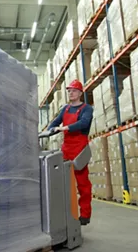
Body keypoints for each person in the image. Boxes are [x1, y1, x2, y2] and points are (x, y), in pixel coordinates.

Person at [47, 79, 94, 226]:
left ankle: (85, 215)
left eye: (73, 90)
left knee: (83, 184)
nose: (70, 93)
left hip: (79, 149)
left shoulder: (86, 109)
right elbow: (55, 122)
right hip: (66, 149)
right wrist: (50, 130)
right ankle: (65, 214)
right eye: (69, 91)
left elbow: (84, 123)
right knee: (62, 182)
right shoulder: (65, 109)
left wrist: (65, 128)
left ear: (80, 93)